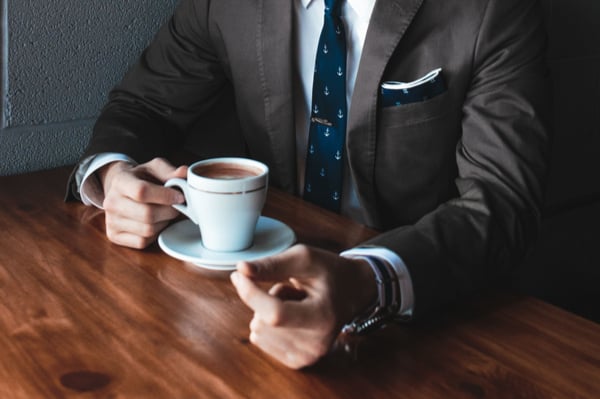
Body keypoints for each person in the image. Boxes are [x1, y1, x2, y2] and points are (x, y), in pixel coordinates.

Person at [67, 0, 551, 369]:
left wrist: (367, 280)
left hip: (423, 325)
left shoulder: (491, 10)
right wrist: (111, 176)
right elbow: (143, 106)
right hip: (241, 303)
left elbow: (501, 200)